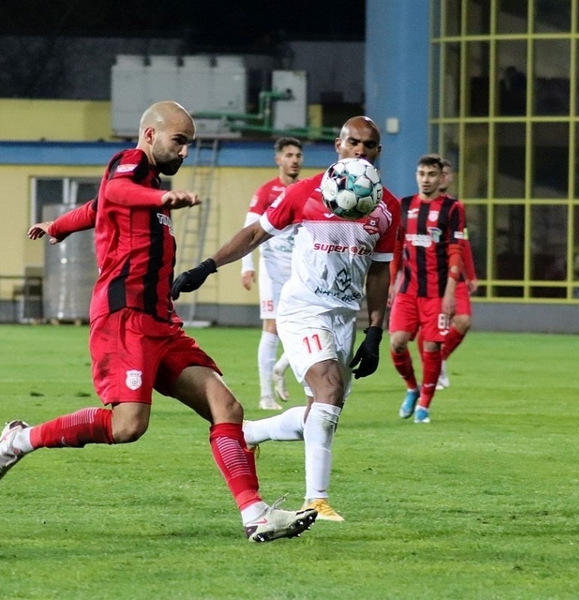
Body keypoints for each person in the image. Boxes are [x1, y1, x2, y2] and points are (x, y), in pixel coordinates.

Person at [0, 101, 317, 543]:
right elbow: (116, 195)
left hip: (161, 321)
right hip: (126, 317)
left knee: (227, 407)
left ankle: (255, 515)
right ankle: (21, 439)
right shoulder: (130, 163)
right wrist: (162, 197)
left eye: (190, 145)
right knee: (128, 426)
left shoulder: (144, 183)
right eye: (180, 141)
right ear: (152, 135)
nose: (185, 152)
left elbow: (99, 205)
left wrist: (59, 226)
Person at [172, 116, 400, 522]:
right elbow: (256, 234)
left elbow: (380, 271)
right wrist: (206, 267)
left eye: (368, 145)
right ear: (338, 145)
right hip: (301, 310)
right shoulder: (304, 193)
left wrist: (375, 331)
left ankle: (250, 434)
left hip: (344, 318)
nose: (360, 151)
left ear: (378, 151)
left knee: (323, 415)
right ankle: (316, 500)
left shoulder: (387, 208)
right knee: (327, 389)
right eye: (353, 142)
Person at [389, 154, 467, 423]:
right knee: (397, 343)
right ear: (416, 176)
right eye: (422, 174)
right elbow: (397, 247)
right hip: (408, 290)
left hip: (436, 293)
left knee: (432, 347)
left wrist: (449, 293)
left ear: (440, 178)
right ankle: (412, 387)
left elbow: (456, 251)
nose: (426, 179)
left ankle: (424, 404)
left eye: (431, 174)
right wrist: (391, 282)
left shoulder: (453, 208)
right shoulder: (405, 205)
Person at [240, 137, 303, 410]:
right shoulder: (267, 192)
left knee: (304, 326)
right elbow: (249, 229)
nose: (295, 160)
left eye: (298, 155)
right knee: (272, 327)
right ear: (278, 159)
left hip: (300, 271)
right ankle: (266, 394)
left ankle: (280, 367)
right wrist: (247, 266)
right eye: (289, 155)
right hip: (272, 268)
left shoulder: (306, 191)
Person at [435, 158, 477, 389]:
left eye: (447, 173)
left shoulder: (455, 208)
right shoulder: (417, 207)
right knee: (433, 329)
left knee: (463, 320)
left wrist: (470, 274)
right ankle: (433, 365)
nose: (444, 177)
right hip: (430, 277)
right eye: (439, 173)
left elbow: (463, 243)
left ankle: (438, 359)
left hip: (455, 277)